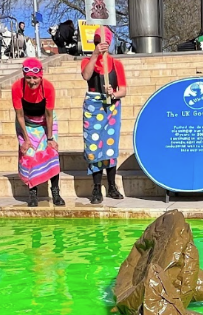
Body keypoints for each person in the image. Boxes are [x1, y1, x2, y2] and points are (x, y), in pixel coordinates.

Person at [80, 28, 127, 204]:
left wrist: (113, 93)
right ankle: (96, 186)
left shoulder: (116, 64)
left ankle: (112, 186)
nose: (101, 45)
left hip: (111, 108)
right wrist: (94, 56)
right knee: (93, 148)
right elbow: (86, 75)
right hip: (93, 108)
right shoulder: (87, 60)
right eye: (98, 41)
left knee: (109, 146)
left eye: (104, 42)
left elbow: (123, 90)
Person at [12, 58, 64, 207]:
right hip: (26, 123)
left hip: (45, 121)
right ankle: (33, 193)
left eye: (35, 77)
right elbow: (20, 116)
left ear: (40, 76)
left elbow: (49, 115)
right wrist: (26, 140)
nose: (32, 81)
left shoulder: (48, 87)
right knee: (29, 154)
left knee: (51, 153)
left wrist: (50, 138)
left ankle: (55, 192)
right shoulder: (17, 87)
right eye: (28, 77)